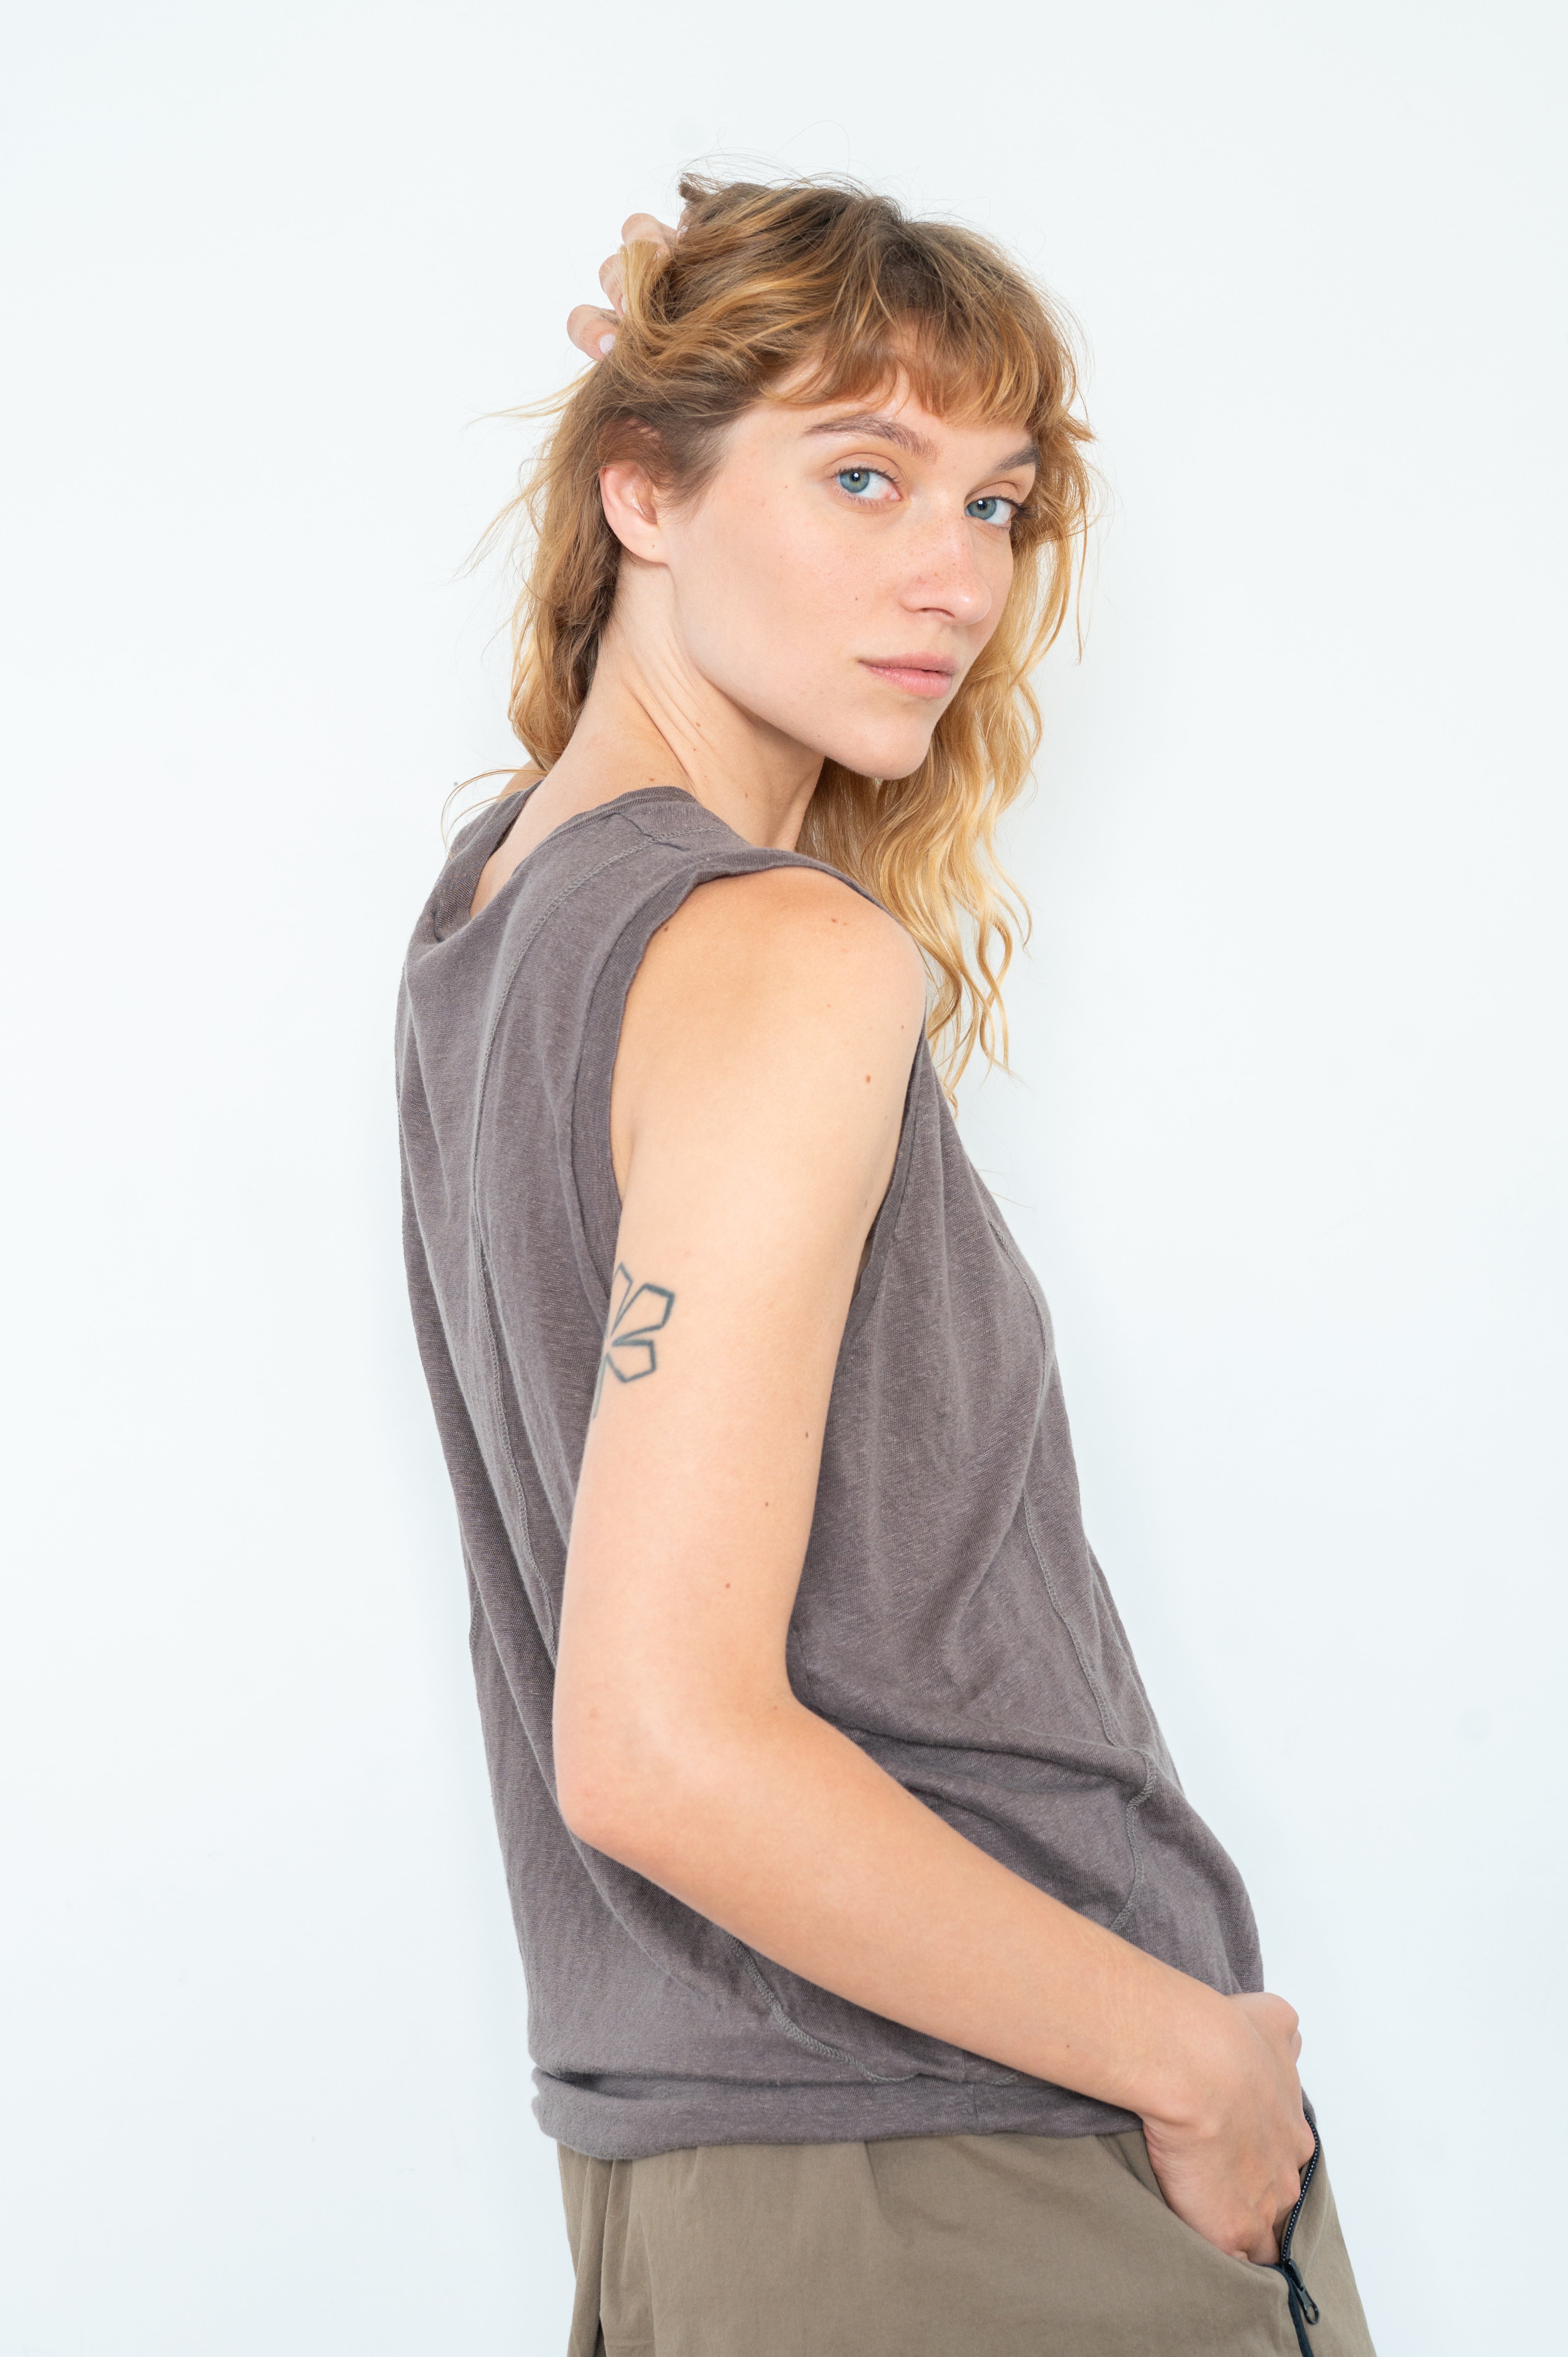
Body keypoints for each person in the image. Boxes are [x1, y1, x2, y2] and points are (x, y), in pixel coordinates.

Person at [398, 175, 1375, 2355]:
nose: (954, 578)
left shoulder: (488, 920)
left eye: (994, 503)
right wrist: (1195, 2063)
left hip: (701, 2182)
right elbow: (656, 1743)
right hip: (971, 2167)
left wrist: (728, 378)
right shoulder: (778, 959)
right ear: (641, 492)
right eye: (862, 478)